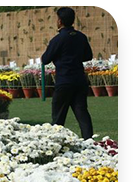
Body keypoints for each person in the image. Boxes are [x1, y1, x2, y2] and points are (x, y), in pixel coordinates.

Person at [42, 7, 94, 140]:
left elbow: (45, 59)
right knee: (82, 113)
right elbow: (88, 56)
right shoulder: (81, 37)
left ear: (60, 21)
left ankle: (56, 142)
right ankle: (89, 142)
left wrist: (61, 59)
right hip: (80, 80)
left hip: (64, 81)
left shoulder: (58, 39)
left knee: (58, 116)